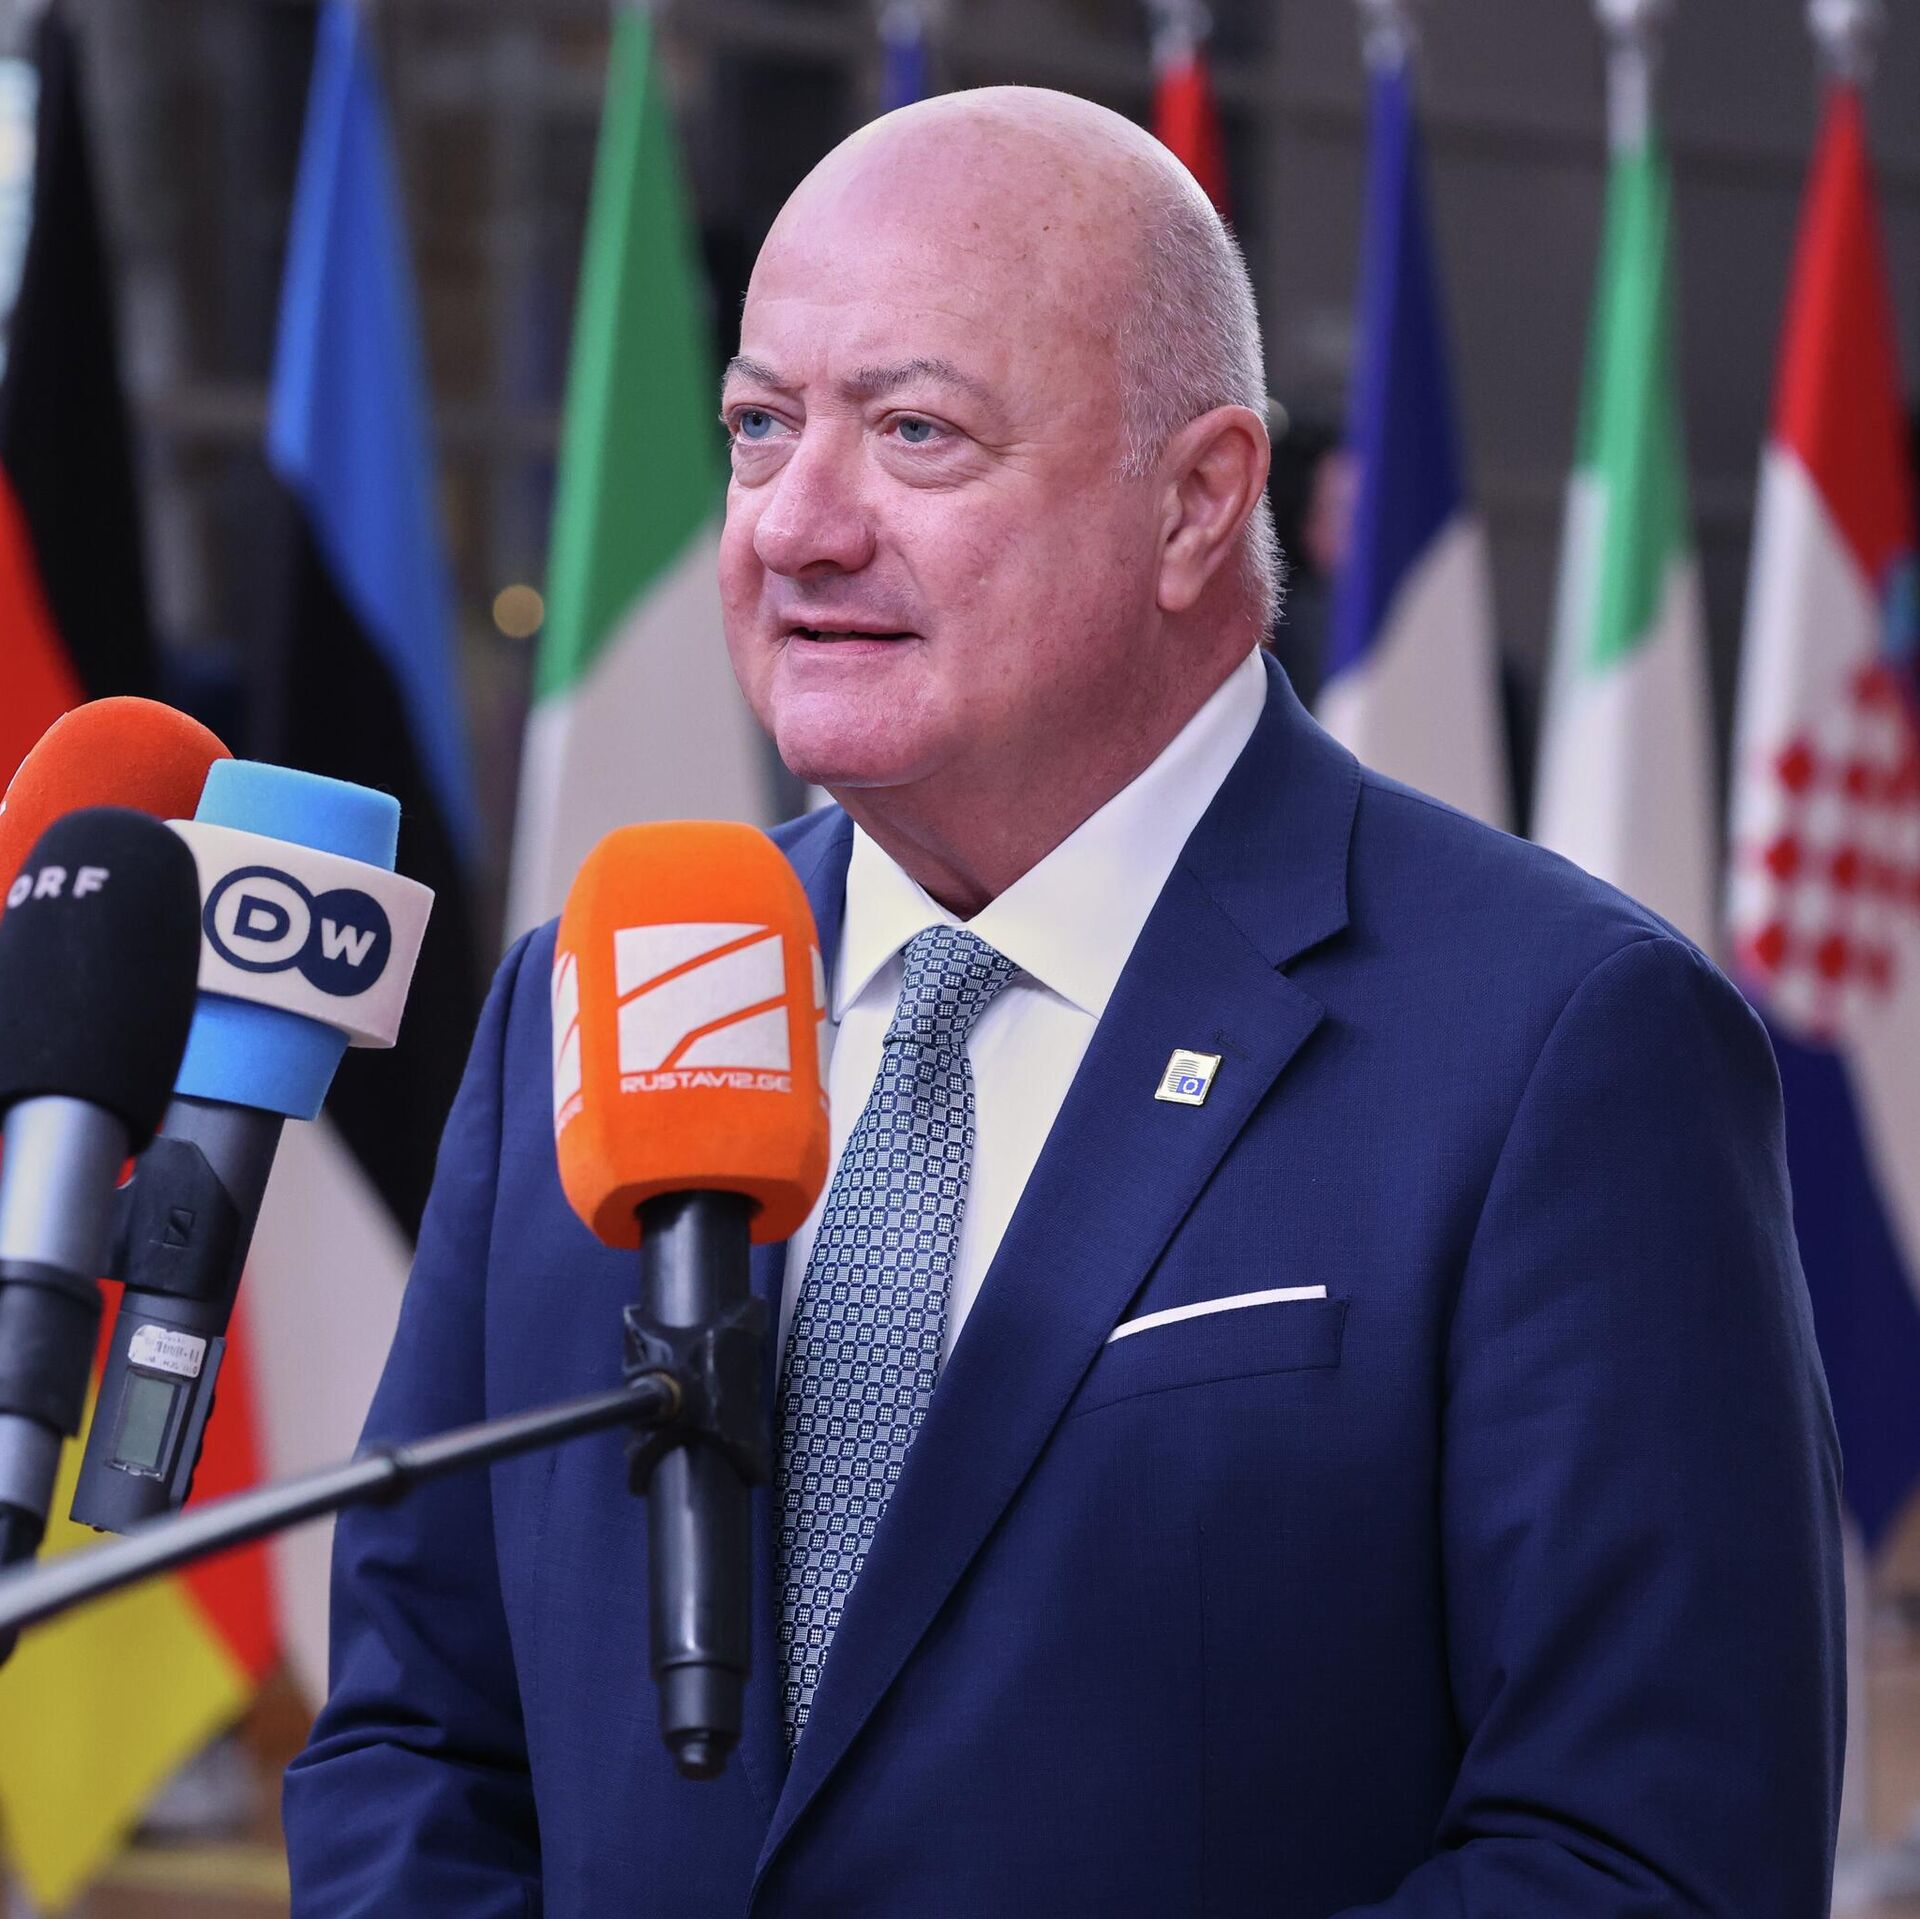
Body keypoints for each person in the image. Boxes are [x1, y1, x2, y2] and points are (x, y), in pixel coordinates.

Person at [284, 87, 1843, 1916]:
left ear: (1198, 501)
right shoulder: (602, 992)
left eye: (916, 432)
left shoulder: (1562, 1044)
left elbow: (1643, 1858)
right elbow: (414, 1742)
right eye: (761, 426)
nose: (796, 525)